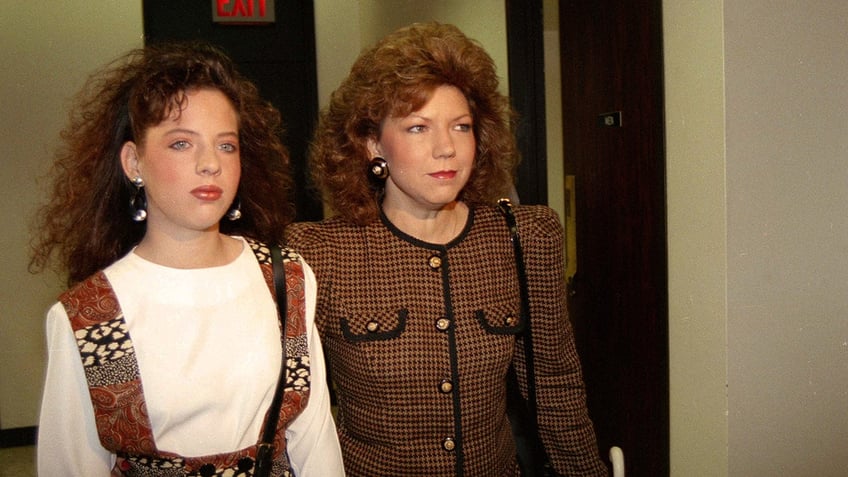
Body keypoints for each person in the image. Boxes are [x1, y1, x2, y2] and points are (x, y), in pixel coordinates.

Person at [286, 22, 608, 476]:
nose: (446, 149)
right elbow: (290, 411)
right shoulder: (318, 252)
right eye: (418, 128)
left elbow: (555, 387)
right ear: (372, 143)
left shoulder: (524, 237)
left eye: (462, 127)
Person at [29, 41, 344, 476]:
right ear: (133, 161)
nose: (210, 164)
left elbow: (314, 439)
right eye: (181, 144)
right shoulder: (89, 315)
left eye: (226, 146)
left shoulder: (286, 278)